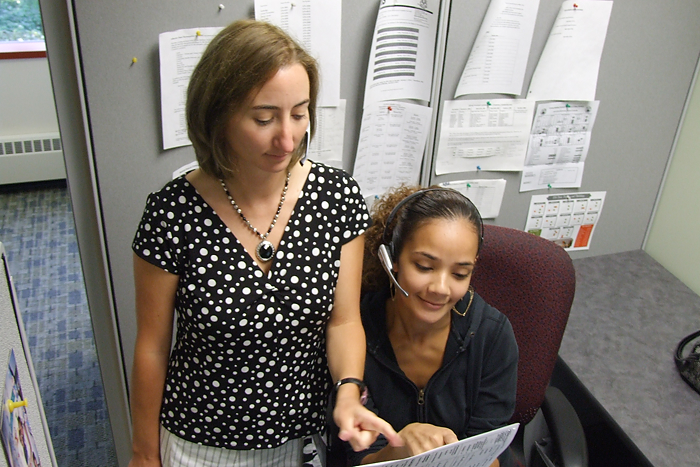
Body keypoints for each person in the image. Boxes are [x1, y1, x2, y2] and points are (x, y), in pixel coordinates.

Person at [129, 19, 400, 467]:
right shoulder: (172, 212)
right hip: (202, 440)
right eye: (263, 117)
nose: (287, 138)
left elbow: (344, 321)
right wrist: (143, 452)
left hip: (305, 436)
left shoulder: (337, 197)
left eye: (299, 113)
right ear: (217, 116)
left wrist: (349, 392)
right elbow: (152, 347)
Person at [346, 186, 518, 466]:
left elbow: (492, 451)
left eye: (459, 273)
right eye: (424, 267)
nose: (440, 288)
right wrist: (398, 449)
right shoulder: (354, 330)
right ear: (391, 259)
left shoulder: (492, 335)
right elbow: (354, 457)